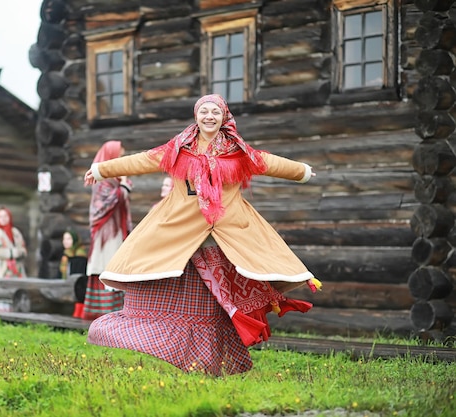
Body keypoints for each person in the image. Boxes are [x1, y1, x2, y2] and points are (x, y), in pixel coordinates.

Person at [82, 94, 321, 376]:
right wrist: (101, 169)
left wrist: (302, 171)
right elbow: (143, 160)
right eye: (204, 111)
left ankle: (210, 362)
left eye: (215, 112)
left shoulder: (238, 151)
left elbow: (267, 162)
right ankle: (165, 347)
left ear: (224, 117)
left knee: (211, 306)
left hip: (223, 236)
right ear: (196, 116)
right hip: (179, 234)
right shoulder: (178, 149)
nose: (209, 116)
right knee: (171, 293)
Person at [83, 140, 132, 320]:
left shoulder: (116, 180)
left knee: (116, 266)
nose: (121, 159)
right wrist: (124, 187)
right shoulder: (101, 180)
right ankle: (102, 311)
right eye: (119, 155)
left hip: (117, 230)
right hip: (106, 233)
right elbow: (106, 204)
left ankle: (117, 310)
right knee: (106, 265)